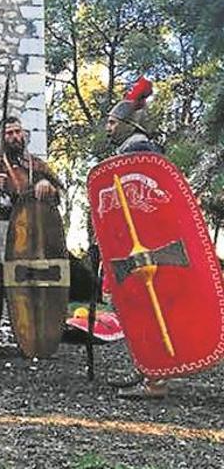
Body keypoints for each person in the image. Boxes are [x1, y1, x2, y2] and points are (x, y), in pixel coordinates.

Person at [99, 78, 168, 399]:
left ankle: (155, 380)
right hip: (137, 247)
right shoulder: (133, 150)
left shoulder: (139, 150)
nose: (108, 128)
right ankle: (146, 368)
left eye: (112, 122)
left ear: (127, 124)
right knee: (136, 310)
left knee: (146, 309)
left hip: (145, 250)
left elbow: (147, 206)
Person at [0, 116, 62, 356]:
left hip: (30, 229)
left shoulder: (37, 166)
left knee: (30, 282)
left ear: (24, 134)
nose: (14, 136)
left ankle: (29, 337)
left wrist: (47, 187)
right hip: (1, 224)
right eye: (8, 133)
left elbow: (58, 194)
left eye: (17, 131)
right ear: (2, 138)